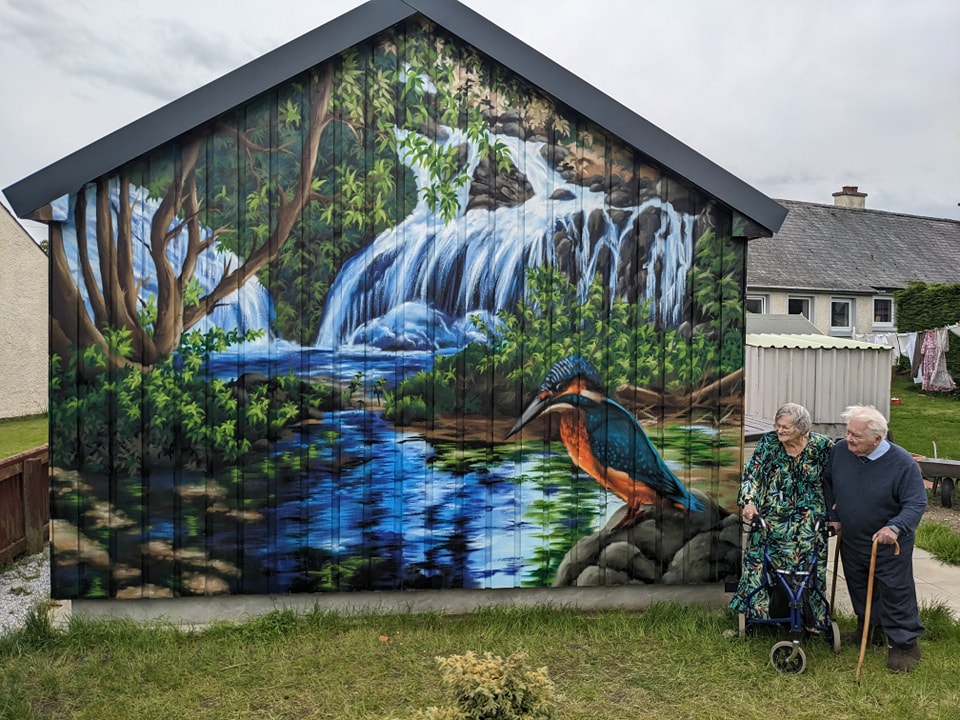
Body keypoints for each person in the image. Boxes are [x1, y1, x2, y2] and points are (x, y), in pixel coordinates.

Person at [824, 404, 927, 672]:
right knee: (859, 585)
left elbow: (915, 502)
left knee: (895, 590)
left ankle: (905, 644)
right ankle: (869, 630)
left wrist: (895, 527)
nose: (849, 439)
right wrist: (832, 515)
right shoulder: (840, 452)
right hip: (853, 536)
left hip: (888, 542)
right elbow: (828, 483)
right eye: (848, 432)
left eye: (856, 435)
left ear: (877, 439)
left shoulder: (902, 463)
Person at [730, 403, 834, 625]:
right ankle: (757, 616)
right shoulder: (768, 444)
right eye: (777, 425)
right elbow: (752, 475)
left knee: (810, 569)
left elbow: (838, 481)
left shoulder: (822, 446)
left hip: (809, 523)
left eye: (785, 427)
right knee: (759, 564)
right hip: (770, 520)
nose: (779, 430)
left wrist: (838, 512)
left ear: (802, 427)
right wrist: (748, 502)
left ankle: (811, 618)